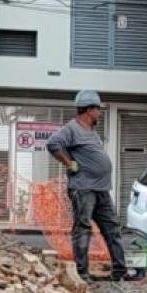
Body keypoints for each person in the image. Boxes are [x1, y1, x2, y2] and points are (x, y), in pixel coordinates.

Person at [46, 90, 133, 282]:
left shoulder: (91, 132)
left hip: (101, 188)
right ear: (89, 110)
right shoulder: (72, 129)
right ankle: (82, 274)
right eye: (98, 109)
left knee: (112, 228)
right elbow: (53, 144)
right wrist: (69, 163)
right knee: (83, 228)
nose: (100, 113)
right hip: (83, 188)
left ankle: (120, 271)